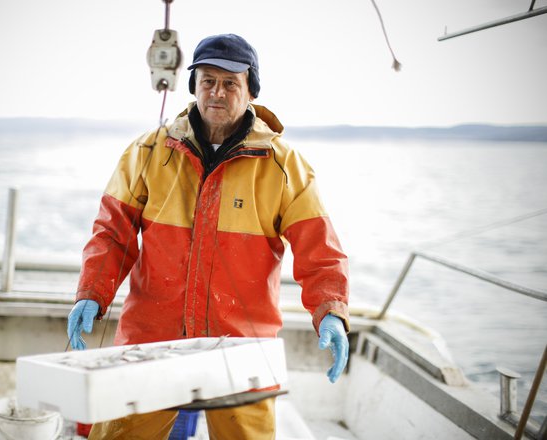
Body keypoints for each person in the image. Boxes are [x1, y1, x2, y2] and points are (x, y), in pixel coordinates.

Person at [67, 33, 350, 440]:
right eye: (207, 80)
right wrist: (92, 292)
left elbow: (320, 251)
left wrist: (331, 312)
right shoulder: (147, 152)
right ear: (194, 85)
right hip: (152, 339)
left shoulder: (285, 165)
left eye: (231, 82)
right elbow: (112, 233)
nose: (217, 92)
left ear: (251, 89)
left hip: (242, 346)